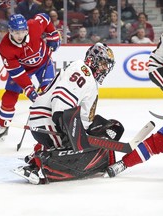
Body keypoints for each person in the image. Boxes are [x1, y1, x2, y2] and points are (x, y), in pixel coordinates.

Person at [12, 43, 124, 185]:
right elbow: (61, 98)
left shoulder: (89, 78)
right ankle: (41, 166)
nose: (105, 68)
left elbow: (83, 117)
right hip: (48, 121)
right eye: (102, 63)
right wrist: (68, 131)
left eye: (107, 65)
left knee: (111, 127)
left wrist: (92, 131)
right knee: (82, 152)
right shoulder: (83, 71)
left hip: (48, 120)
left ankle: (42, 151)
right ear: (92, 60)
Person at [0, 13, 61, 139]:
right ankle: (3, 124)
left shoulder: (34, 26)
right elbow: (17, 72)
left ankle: (55, 123)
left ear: (27, 29)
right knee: (9, 95)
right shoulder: (5, 48)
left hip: (44, 63)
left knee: (49, 93)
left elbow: (45, 17)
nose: (20, 36)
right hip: (23, 70)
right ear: (9, 31)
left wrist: (52, 35)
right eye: (16, 32)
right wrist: (28, 88)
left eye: (22, 31)